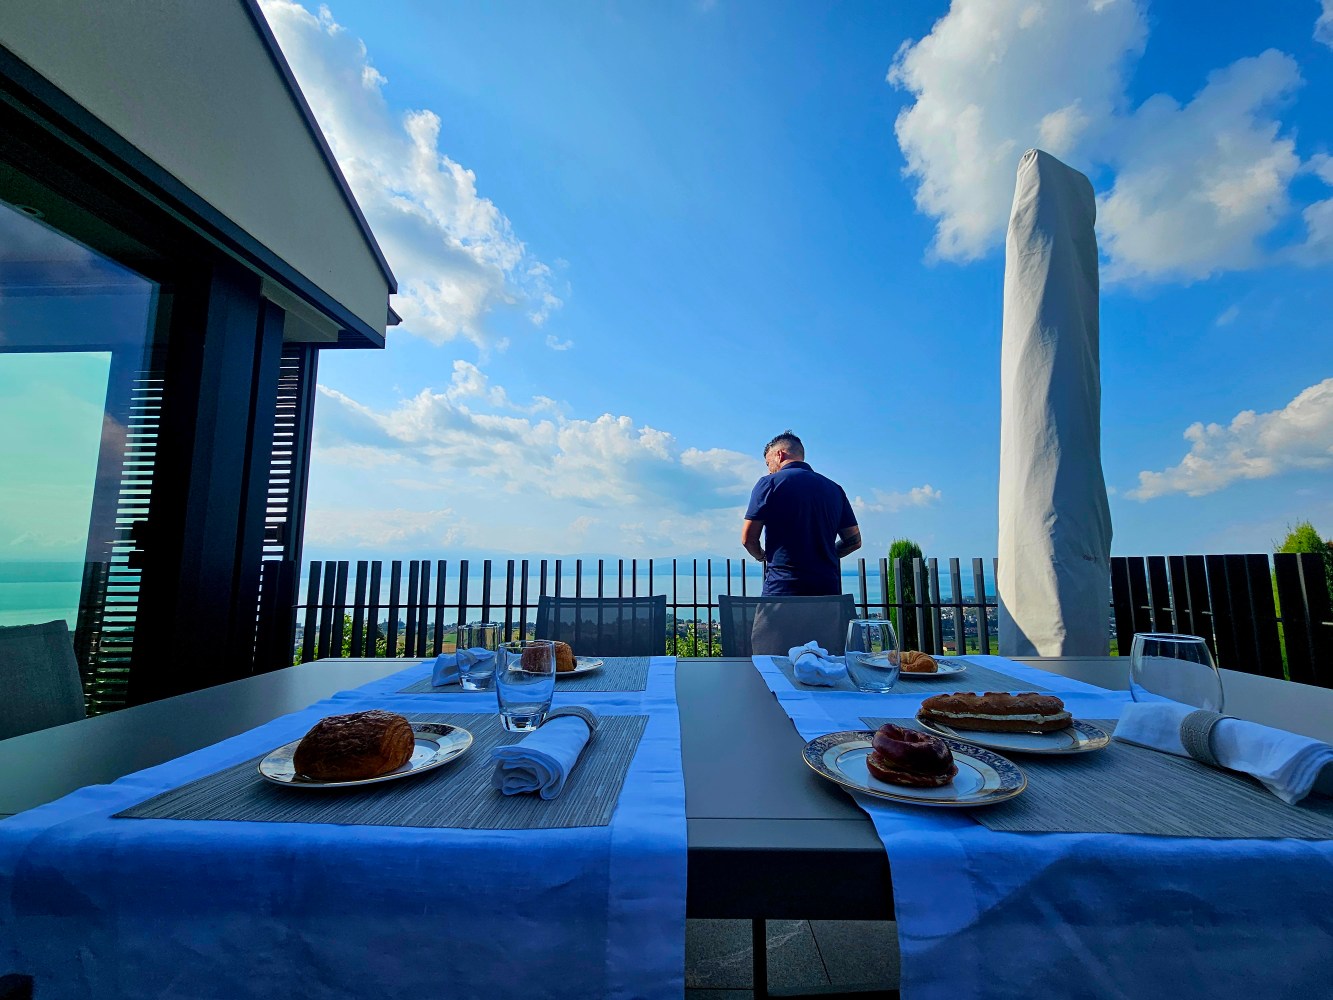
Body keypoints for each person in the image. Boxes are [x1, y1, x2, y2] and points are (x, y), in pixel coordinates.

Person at [741, 430, 861, 596]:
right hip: (827, 590)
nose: (769, 470)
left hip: (782, 588)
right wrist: (825, 556)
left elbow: (748, 539)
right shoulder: (835, 489)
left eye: (768, 464)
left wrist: (762, 557)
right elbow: (854, 541)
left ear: (779, 455)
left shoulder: (769, 484)